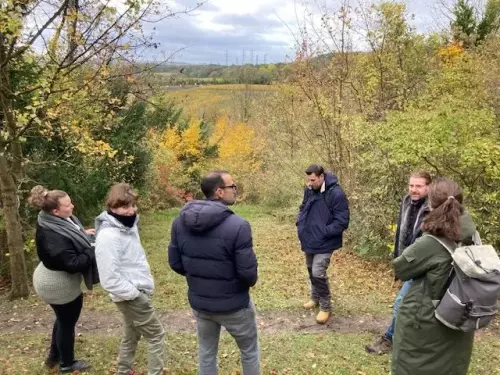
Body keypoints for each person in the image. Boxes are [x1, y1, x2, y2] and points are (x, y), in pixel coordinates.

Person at [168, 170, 259, 375]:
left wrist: (198, 278)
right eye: (232, 187)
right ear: (219, 192)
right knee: (249, 351)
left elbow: (175, 263)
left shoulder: (179, 222)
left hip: (201, 304)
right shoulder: (239, 226)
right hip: (235, 306)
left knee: (206, 353)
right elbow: (249, 274)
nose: (235, 190)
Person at [391, 178, 476, 375]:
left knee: (413, 367)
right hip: (460, 314)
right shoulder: (472, 235)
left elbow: (401, 268)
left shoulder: (433, 241)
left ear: (431, 204)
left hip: (427, 320)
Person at [95, 183, 165, 375]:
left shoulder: (128, 227)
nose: (131, 211)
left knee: (131, 334)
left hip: (138, 291)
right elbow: (109, 278)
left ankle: (123, 371)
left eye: (133, 205)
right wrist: (135, 294)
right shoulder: (108, 236)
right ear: (112, 207)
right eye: (125, 207)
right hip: (131, 297)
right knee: (156, 336)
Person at [29, 185, 96, 373]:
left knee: (62, 319)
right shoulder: (53, 236)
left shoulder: (50, 219)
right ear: (55, 211)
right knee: (67, 324)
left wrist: (83, 235)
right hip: (57, 284)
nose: (72, 206)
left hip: (49, 276)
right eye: (67, 205)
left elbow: (71, 233)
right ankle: (67, 364)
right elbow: (74, 263)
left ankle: (54, 357)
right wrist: (92, 250)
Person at [366, 171, 431, 354]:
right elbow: (400, 233)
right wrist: (398, 260)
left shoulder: (433, 208)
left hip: (422, 265)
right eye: (411, 185)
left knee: (401, 303)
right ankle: (410, 339)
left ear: (428, 187)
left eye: (418, 186)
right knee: (412, 306)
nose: (414, 190)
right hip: (407, 263)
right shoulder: (406, 201)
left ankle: (390, 339)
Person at [297, 164, 349, 324]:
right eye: (308, 179)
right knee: (311, 269)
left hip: (325, 241)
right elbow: (304, 207)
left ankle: (325, 307)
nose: (310, 183)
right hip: (309, 238)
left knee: (318, 271)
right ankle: (315, 298)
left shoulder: (336, 194)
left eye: (313, 180)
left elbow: (342, 221)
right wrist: (300, 222)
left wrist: (323, 232)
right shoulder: (309, 189)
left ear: (321, 177)